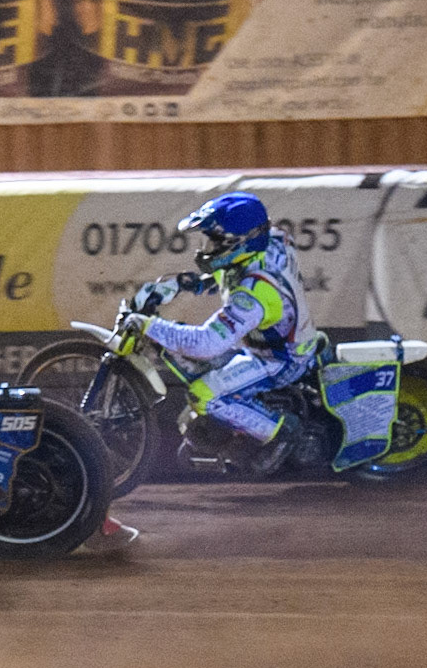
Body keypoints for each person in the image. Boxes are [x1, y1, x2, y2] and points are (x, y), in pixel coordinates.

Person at [126, 191, 318, 468]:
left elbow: (206, 343)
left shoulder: (255, 294)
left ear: (239, 243)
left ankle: (278, 431)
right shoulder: (270, 242)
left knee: (203, 394)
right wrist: (192, 284)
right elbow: (232, 272)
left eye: (215, 241)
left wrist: (150, 326)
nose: (207, 248)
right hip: (281, 342)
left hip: (279, 360)